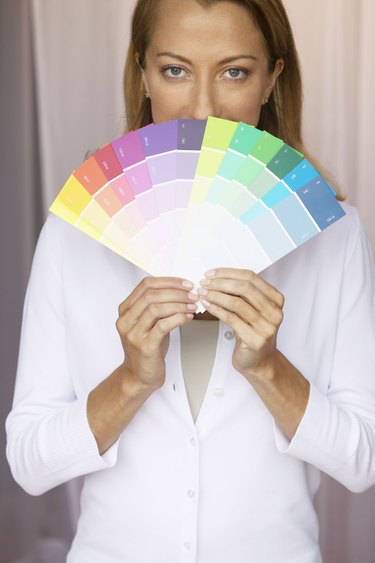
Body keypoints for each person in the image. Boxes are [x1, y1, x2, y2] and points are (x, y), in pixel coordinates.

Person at [6, 1, 375, 562]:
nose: (203, 108)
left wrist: (271, 368)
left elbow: (362, 462)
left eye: (235, 72)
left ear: (272, 77)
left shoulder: (334, 235)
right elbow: (29, 464)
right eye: (175, 70)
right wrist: (130, 380)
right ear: (143, 72)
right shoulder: (74, 233)